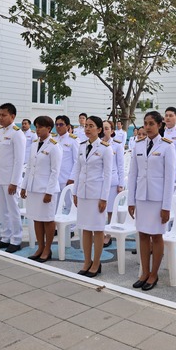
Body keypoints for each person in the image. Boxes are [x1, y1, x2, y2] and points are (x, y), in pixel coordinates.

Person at [128, 111, 176, 291]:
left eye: (151, 124)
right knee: (142, 235)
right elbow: (133, 174)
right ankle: (144, 272)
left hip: (157, 199)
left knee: (156, 236)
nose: (147, 127)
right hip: (141, 198)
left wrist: (166, 206)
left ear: (160, 125)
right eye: (145, 123)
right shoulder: (138, 145)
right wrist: (131, 201)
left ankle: (154, 274)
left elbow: (169, 178)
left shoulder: (167, 146)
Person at [72, 116, 112, 277]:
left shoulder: (105, 148)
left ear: (99, 130)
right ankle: (87, 261)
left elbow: (108, 175)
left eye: (91, 126)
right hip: (83, 193)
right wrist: (75, 192)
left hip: (97, 195)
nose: (87, 129)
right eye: (86, 126)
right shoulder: (82, 146)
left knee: (97, 229)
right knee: (85, 229)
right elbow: (77, 170)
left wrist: (104, 198)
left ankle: (96, 262)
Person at [21, 116, 63, 262]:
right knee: (36, 219)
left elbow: (55, 171)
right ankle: (40, 247)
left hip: (46, 189)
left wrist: (49, 192)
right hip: (33, 188)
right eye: (36, 127)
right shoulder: (34, 144)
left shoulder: (54, 146)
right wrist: (24, 186)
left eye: (40, 127)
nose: (37, 130)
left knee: (48, 220)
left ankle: (47, 249)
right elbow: (29, 167)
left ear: (49, 128)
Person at [0, 103, 26, 253]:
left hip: (10, 179)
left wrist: (14, 182)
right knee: (2, 209)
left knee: (13, 210)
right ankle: (5, 237)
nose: (1, 118)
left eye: (4, 115)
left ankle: (16, 239)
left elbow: (19, 160)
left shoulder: (17, 134)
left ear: (12, 116)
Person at [102, 120, 125, 247]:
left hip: (112, 181)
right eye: (103, 128)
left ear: (112, 130)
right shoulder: (98, 144)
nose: (105, 130)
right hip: (100, 181)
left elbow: (121, 166)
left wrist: (121, 184)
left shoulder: (117, 145)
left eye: (107, 128)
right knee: (100, 209)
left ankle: (108, 235)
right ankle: (101, 232)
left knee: (110, 209)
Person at [54, 115, 79, 195]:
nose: (58, 127)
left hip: (67, 178)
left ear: (68, 126)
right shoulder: (53, 140)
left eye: (61, 124)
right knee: (55, 205)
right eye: (56, 125)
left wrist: (72, 177)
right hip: (55, 178)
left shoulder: (73, 140)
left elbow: (77, 161)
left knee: (69, 205)